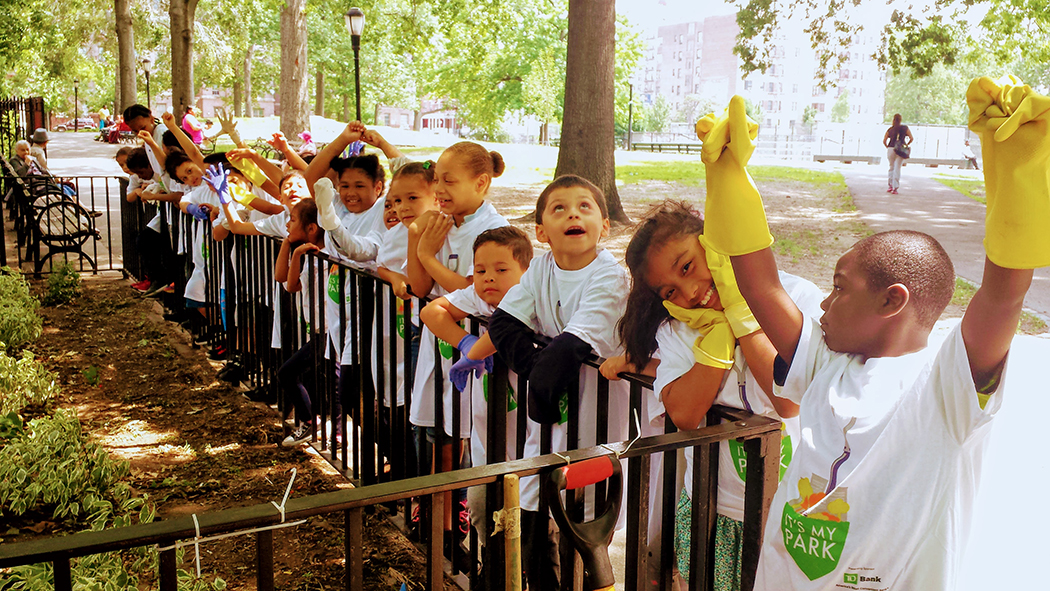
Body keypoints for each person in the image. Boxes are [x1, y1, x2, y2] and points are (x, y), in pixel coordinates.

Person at [696, 90, 1038, 590]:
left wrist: (1018, 171)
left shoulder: (946, 388)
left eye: (839, 288)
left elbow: (1003, 296)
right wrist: (729, 178)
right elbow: (762, 286)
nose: (823, 303)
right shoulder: (827, 364)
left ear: (891, 301)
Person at [599, 200, 823, 589]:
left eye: (688, 266)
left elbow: (788, 401)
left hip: (793, 507)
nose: (690, 292)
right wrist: (717, 339)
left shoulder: (792, 297)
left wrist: (742, 315)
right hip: (713, 507)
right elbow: (685, 413)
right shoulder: (677, 330)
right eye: (671, 290)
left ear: (714, 244)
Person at [488, 174, 631, 589]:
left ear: (605, 226)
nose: (573, 214)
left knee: (585, 532)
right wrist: (542, 376)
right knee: (536, 517)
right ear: (541, 231)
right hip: (548, 427)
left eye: (585, 207)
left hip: (595, 422)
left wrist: (543, 382)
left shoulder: (610, 277)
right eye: (559, 208)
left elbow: (571, 347)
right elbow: (503, 324)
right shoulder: (541, 268)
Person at [419, 226, 533, 574]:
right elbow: (431, 312)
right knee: (484, 512)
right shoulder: (477, 299)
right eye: (480, 270)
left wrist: (476, 349)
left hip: (531, 445)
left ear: (527, 271)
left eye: (501, 269)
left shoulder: (530, 298)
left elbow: (504, 330)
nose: (488, 278)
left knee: (531, 529)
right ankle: (491, 571)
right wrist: (464, 342)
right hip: (487, 445)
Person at [275, 198, 329, 447]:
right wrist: (291, 247)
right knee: (300, 376)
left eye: (293, 219)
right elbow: (288, 283)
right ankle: (313, 423)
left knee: (288, 373)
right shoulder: (309, 254)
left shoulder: (326, 256)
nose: (287, 224)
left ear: (312, 228)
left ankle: (311, 423)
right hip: (316, 329)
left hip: (327, 331)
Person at [882, 113, 913, 194]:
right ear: (900, 120)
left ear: (893, 120)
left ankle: (890, 185)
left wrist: (888, 147)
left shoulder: (890, 129)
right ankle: (895, 187)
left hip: (891, 148)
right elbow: (911, 138)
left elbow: (884, 141)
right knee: (897, 167)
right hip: (900, 149)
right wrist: (906, 145)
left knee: (891, 167)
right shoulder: (905, 128)